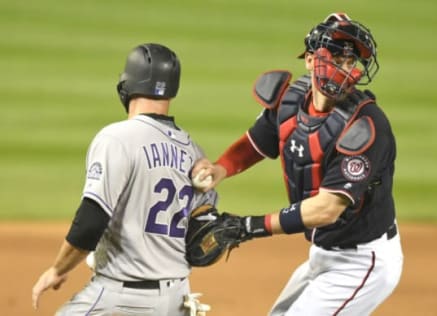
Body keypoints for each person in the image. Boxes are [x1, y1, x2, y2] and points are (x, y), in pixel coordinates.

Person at [193, 12, 404, 315]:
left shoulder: (366, 126)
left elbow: (327, 209)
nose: (343, 68)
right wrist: (220, 168)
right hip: (324, 252)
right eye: (335, 56)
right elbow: (256, 143)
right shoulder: (292, 101)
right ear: (309, 58)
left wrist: (247, 227)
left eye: (350, 61)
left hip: (362, 261)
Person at [32, 43, 217, 315]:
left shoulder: (116, 138)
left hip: (120, 298)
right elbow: (205, 230)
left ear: (127, 85)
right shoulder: (194, 152)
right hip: (178, 299)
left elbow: (90, 222)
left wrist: (57, 270)